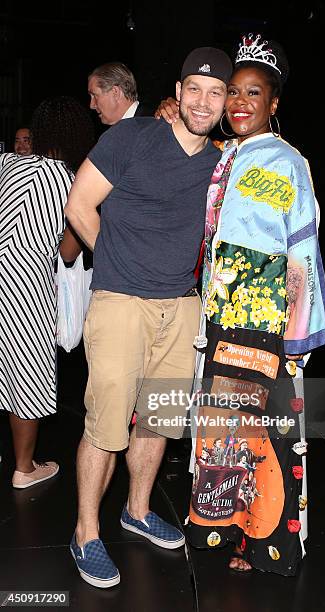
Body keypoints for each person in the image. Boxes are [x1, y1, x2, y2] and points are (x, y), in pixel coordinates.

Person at [64, 46, 232, 588]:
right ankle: (86, 532)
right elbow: (78, 203)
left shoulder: (222, 161)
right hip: (121, 303)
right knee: (107, 423)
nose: (204, 101)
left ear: (225, 102)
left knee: (158, 419)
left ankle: (136, 510)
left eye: (217, 92)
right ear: (178, 93)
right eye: (196, 89)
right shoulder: (132, 138)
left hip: (181, 308)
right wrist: (113, 262)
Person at [183, 33, 325, 576]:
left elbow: (301, 250)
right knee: (222, 430)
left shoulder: (290, 162)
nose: (241, 102)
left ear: (273, 104)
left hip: (267, 327)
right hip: (222, 321)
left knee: (267, 437)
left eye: (254, 93)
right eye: (234, 93)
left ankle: (266, 544)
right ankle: (222, 530)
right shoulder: (225, 154)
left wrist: (295, 338)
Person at [0, 96, 95, 489]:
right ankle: (24, 468)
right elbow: (70, 251)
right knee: (26, 376)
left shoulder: (6, 164)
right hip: (28, 289)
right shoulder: (72, 181)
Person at [88, 61, 153, 126]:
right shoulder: (113, 133)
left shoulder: (155, 124)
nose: (92, 105)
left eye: (94, 95)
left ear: (115, 92)